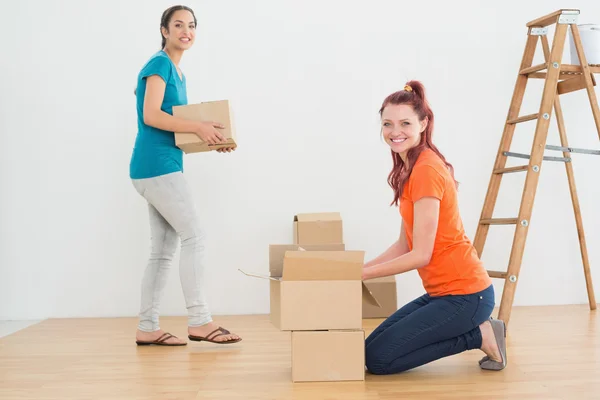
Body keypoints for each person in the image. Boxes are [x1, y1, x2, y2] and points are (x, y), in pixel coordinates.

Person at [362, 81, 506, 373]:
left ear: (423, 123)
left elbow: (421, 255)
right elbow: (404, 245)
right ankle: (479, 331)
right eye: (387, 123)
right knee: (369, 351)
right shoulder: (409, 169)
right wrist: (360, 269)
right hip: (443, 292)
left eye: (405, 123)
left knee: (378, 361)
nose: (395, 131)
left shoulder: (426, 169)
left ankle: (480, 335)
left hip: (466, 294)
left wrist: (363, 274)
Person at [130, 5, 240, 346]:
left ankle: (147, 328)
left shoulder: (177, 71)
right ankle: (200, 321)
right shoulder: (160, 64)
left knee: (162, 251)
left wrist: (210, 141)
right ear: (164, 30)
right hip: (156, 166)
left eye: (191, 25)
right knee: (196, 237)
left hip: (157, 167)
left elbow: (172, 126)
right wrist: (200, 126)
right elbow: (151, 115)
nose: (186, 31)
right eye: (178, 25)